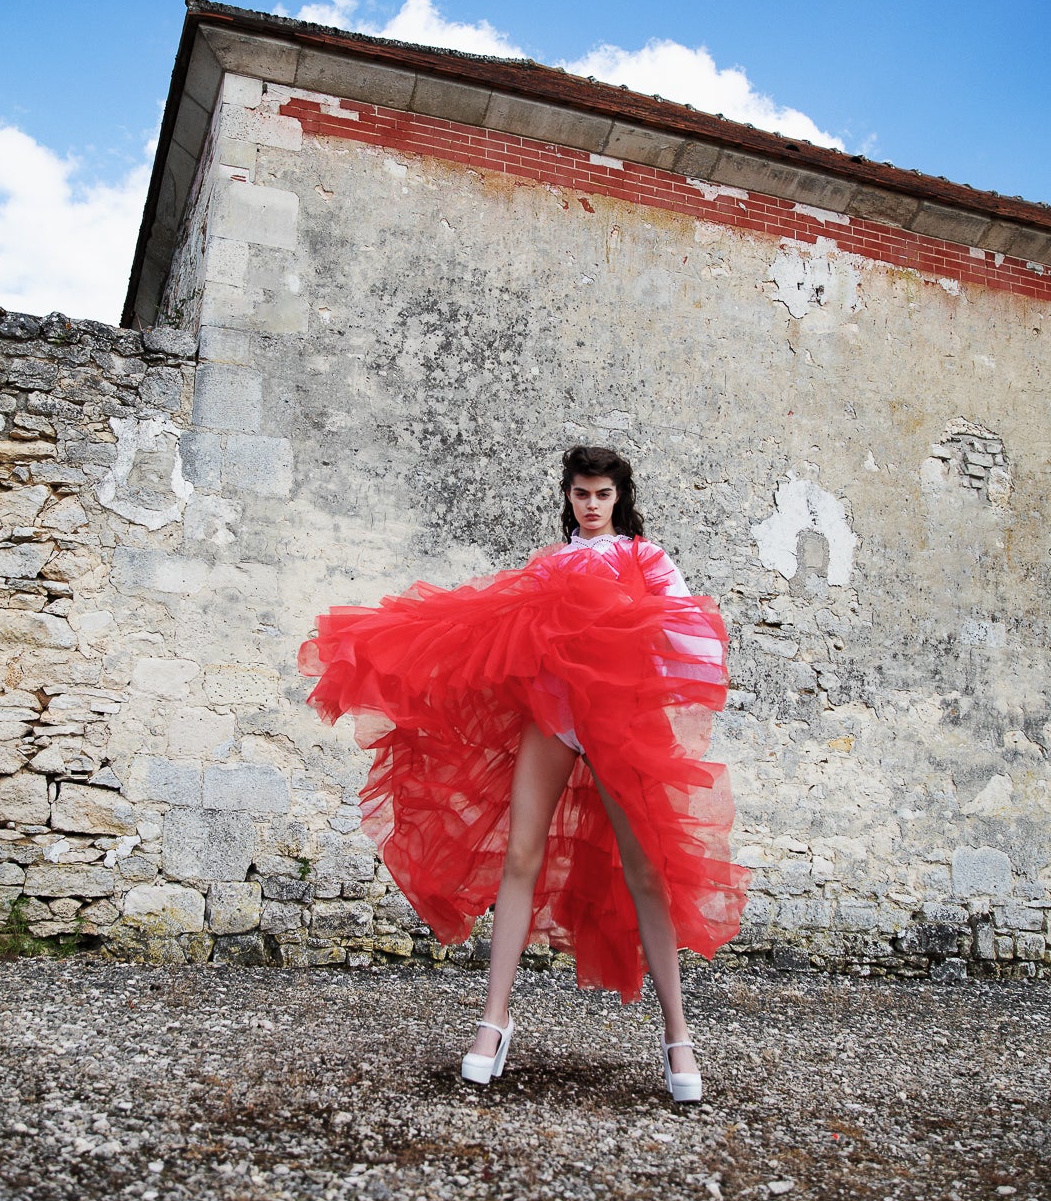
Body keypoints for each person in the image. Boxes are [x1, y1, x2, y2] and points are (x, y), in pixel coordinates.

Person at [299, 446, 747, 1103]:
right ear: (568, 497)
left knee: (646, 867)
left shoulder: (645, 558)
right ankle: (493, 1021)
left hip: (617, 721)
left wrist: (633, 639)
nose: (591, 505)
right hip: (554, 715)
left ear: (619, 497)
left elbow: (693, 638)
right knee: (519, 855)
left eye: (602, 494)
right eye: (581, 494)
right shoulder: (552, 564)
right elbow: (496, 628)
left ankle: (677, 1034)